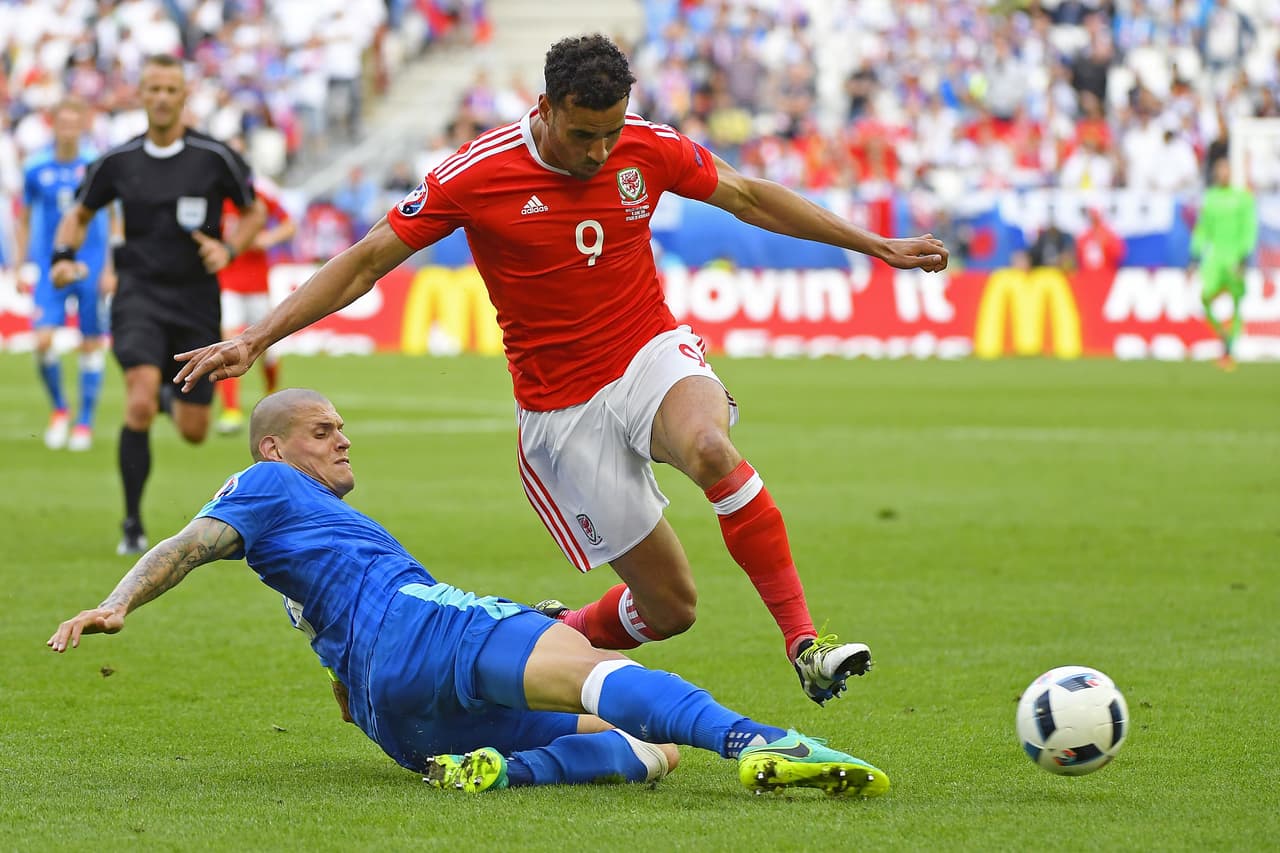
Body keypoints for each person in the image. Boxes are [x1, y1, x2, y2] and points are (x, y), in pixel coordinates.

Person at [174, 34, 949, 706]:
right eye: (584, 134)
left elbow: (747, 196)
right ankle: (564, 630)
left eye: (610, 133)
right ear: (544, 109)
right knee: (672, 608)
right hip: (561, 412)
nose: (600, 152)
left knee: (712, 450)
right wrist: (256, 335)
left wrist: (874, 245)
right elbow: (369, 258)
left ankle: (805, 644)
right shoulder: (475, 174)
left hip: (648, 352)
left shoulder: (645, 144)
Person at [48, 388, 891, 797]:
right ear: (274, 447)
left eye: (342, 425)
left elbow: (333, 649)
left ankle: (506, 771)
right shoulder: (264, 487)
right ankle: (758, 740)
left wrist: (354, 686)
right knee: (588, 666)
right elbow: (188, 543)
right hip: (414, 624)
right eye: (321, 431)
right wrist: (121, 600)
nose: (343, 438)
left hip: (393, 720)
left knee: (647, 747)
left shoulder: (298, 538)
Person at [51, 54, 266, 555]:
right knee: (139, 399)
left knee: (194, 430)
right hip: (138, 295)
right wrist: (62, 256)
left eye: (172, 89)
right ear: (140, 95)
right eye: (154, 89)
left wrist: (228, 248)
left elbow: (253, 213)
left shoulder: (214, 157)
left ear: (185, 96)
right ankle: (131, 523)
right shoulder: (117, 161)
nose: (163, 98)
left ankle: (175, 401)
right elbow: (79, 215)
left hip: (195, 301)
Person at [13, 98, 117, 451]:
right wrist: (19, 264)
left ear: (84, 124)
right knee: (42, 341)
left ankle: (84, 422)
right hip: (48, 264)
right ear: (53, 124)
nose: (69, 129)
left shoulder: (96, 164)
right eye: (63, 123)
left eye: (75, 122)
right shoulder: (35, 167)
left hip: (90, 262)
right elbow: (24, 219)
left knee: (90, 342)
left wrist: (111, 267)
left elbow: (114, 216)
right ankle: (60, 408)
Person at [215, 137, 297, 435]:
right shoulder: (216, 195)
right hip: (228, 281)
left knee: (268, 349)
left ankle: (272, 402)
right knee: (227, 342)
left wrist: (267, 239)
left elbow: (289, 224)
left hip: (258, 284)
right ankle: (231, 411)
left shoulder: (260, 194)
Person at [1190, 157, 1256, 371]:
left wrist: (1244, 256)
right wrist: (1195, 255)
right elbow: (1202, 229)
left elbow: (1249, 229)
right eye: (1220, 170)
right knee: (1206, 298)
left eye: (1226, 169)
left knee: (1236, 302)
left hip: (1234, 257)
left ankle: (1229, 350)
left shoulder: (1242, 198)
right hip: (1214, 259)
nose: (1223, 174)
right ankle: (1224, 336)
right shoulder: (1210, 198)